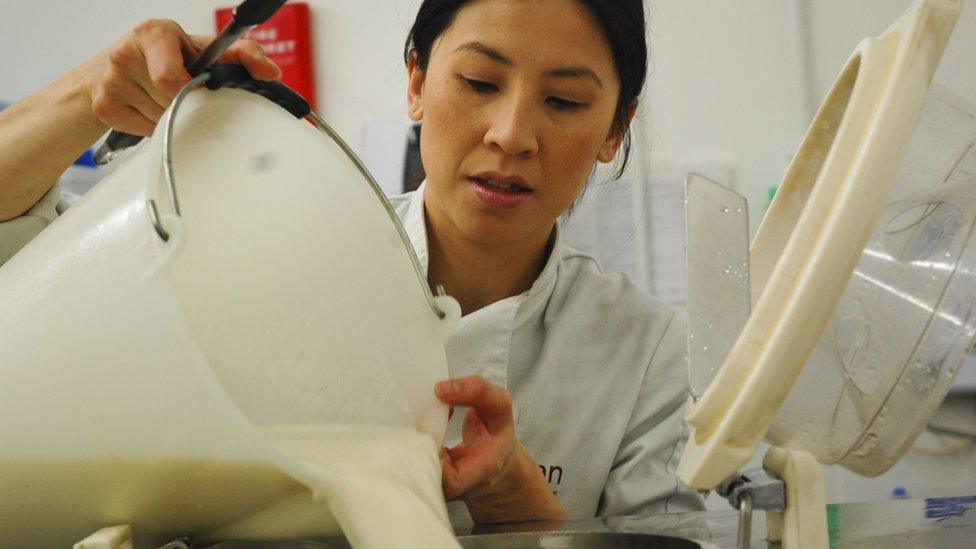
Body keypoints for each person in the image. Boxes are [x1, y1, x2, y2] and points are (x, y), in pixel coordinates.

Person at [0, 0, 704, 529]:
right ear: (417, 83)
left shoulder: (647, 352)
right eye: (481, 82)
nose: (512, 134)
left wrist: (510, 491)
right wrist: (89, 93)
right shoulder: (276, 252)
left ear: (615, 127)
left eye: (564, 101)